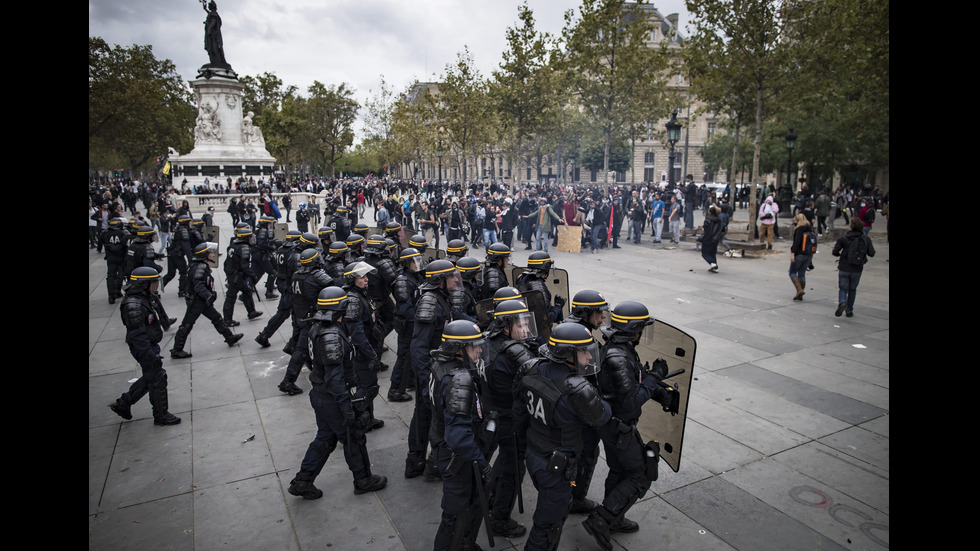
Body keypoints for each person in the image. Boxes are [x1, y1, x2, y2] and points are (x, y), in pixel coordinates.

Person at [584, 301, 680, 550]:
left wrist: (658, 391)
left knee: (618, 470)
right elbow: (630, 402)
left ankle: (613, 517)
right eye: (641, 329)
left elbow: (629, 387)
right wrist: (655, 377)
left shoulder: (620, 348)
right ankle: (602, 519)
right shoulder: (618, 356)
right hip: (619, 426)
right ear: (633, 329)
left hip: (611, 424)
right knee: (641, 474)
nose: (642, 334)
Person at [513, 322, 611, 551]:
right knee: (547, 526)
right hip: (555, 466)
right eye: (584, 352)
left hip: (534, 452)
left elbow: (518, 411)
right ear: (567, 354)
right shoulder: (575, 389)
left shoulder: (530, 367)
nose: (588, 357)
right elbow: (601, 416)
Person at [405, 259, 477, 479]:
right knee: (427, 418)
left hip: (437, 369)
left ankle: (426, 461)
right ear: (440, 281)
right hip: (431, 370)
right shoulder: (429, 302)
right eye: (452, 276)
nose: (457, 279)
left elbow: (458, 316)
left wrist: (480, 325)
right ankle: (418, 462)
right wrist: (428, 381)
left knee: (433, 418)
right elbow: (418, 347)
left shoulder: (441, 298)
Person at [428, 319, 494, 551]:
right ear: (458, 348)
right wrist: (482, 463)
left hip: (442, 444)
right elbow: (458, 436)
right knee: (455, 513)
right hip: (455, 456)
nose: (478, 350)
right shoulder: (459, 379)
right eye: (473, 345)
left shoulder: (440, 365)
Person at [480, 299, 537, 538]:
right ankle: (500, 519)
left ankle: (492, 498)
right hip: (509, 419)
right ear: (505, 328)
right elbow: (535, 380)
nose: (526, 330)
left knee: (504, 461)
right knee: (514, 469)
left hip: (491, 412)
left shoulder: (486, 342)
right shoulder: (514, 352)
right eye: (520, 324)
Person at [108, 267, 181, 426]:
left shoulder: (145, 297)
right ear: (143, 284)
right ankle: (160, 415)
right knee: (157, 377)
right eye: (154, 281)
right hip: (144, 348)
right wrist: (149, 354)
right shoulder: (133, 305)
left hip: (149, 345)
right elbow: (137, 336)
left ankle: (124, 404)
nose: (156, 284)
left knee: (153, 377)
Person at [564, 290, 610, 515]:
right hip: (580, 409)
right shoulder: (582, 337)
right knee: (585, 456)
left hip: (569, 404)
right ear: (587, 313)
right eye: (600, 312)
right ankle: (575, 496)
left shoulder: (572, 327)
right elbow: (590, 372)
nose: (603, 317)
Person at [277, 248, 337, 395]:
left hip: (299, 315)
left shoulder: (298, 274)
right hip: (310, 318)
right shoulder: (317, 276)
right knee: (302, 351)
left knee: (303, 348)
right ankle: (288, 381)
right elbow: (333, 287)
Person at [169, 242, 244, 359]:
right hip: (197, 301)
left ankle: (229, 338)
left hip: (200, 300)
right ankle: (177, 350)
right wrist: (208, 295)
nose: (213, 254)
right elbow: (198, 285)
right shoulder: (201, 267)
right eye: (210, 252)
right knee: (187, 324)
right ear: (204, 255)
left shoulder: (198, 265)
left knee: (217, 318)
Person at [342, 260, 385, 431]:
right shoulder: (353, 299)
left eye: (366, 276)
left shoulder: (360, 295)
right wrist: (371, 354)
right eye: (361, 277)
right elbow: (356, 332)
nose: (366, 279)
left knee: (368, 385)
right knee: (367, 388)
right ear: (352, 279)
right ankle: (355, 421)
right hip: (361, 353)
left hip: (367, 348)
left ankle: (368, 419)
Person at [387, 247, 423, 403]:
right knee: (404, 357)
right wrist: (417, 321)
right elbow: (405, 307)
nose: (418, 264)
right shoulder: (403, 280)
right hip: (408, 325)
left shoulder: (415, 277)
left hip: (413, 323)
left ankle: (408, 381)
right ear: (407, 263)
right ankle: (395, 389)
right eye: (414, 261)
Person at [254, 230, 302, 348]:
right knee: (286, 313)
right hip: (289, 284)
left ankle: (265, 335)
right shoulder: (292, 252)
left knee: (284, 312)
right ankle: (266, 336)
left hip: (282, 282)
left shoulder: (282, 249)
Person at [831, 218, 875, 317]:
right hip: (857, 268)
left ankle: (842, 302)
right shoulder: (865, 238)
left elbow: (835, 252)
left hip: (844, 266)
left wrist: (840, 254)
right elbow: (872, 253)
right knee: (852, 289)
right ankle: (849, 310)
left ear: (851, 226)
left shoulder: (844, 238)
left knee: (843, 288)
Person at [102, 217, 130, 304]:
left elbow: (101, 241)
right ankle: (117, 291)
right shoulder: (123, 233)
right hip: (121, 256)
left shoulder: (105, 233)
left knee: (110, 276)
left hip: (111, 257)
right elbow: (126, 244)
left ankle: (111, 295)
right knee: (120, 274)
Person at [789, 213, 816, 301]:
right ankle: (800, 293)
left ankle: (799, 290)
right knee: (802, 273)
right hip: (808, 254)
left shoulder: (799, 229)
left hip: (799, 254)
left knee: (792, 272)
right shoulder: (810, 228)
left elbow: (796, 243)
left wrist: (792, 253)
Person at [699, 205, 724, 273]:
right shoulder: (720, 220)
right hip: (715, 239)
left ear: (710, 212)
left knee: (705, 253)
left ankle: (712, 263)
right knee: (713, 253)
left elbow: (705, 229)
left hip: (708, 238)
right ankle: (715, 267)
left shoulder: (708, 220)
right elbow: (723, 230)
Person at [202, 1, 227, 67]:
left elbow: (213, 21)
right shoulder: (213, 13)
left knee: (213, 47)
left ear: (212, 6)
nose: (208, 7)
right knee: (212, 47)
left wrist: (209, 29)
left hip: (213, 34)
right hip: (212, 34)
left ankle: (215, 61)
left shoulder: (214, 14)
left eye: (209, 6)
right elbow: (211, 15)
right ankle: (214, 61)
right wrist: (205, 10)